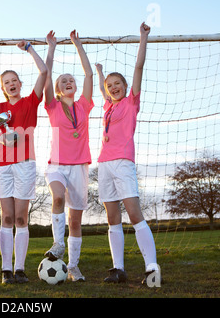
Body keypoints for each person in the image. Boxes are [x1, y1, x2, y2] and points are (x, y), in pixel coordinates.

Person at [95, 22, 160, 285]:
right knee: (112, 217)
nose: (113, 87)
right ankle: (118, 269)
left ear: (125, 86)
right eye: (110, 85)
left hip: (123, 162)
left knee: (134, 214)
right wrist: (100, 73)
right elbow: (102, 88)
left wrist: (143, 38)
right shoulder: (107, 106)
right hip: (104, 164)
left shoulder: (131, 102)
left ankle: (152, 269)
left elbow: (138, 68)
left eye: (117, 83)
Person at [0, 40, 47, 284]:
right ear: (3, 88)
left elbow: (44, 72)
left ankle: (20, 269)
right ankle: (6, 271)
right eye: (7, 82)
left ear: (20, 84)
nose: (11, 84)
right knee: (6, 217)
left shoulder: (30, 102)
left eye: (14, 80)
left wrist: (29, 49)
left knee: (21, 218)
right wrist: (4, 139)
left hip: (25, 164)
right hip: (3, 166)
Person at [43, 30, 94, 282]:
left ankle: (73, 267)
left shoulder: (83, 105)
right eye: (63, 81)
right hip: (57, 165)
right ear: (57, 89)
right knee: (58, 198)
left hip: (80, 167)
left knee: (75, 221)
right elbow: (48, 74)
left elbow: (88, 74)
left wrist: (77, 44)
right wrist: (51, 47)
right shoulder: (52, 106)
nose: (68, 81)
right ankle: (57, 243)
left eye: (70, 79)